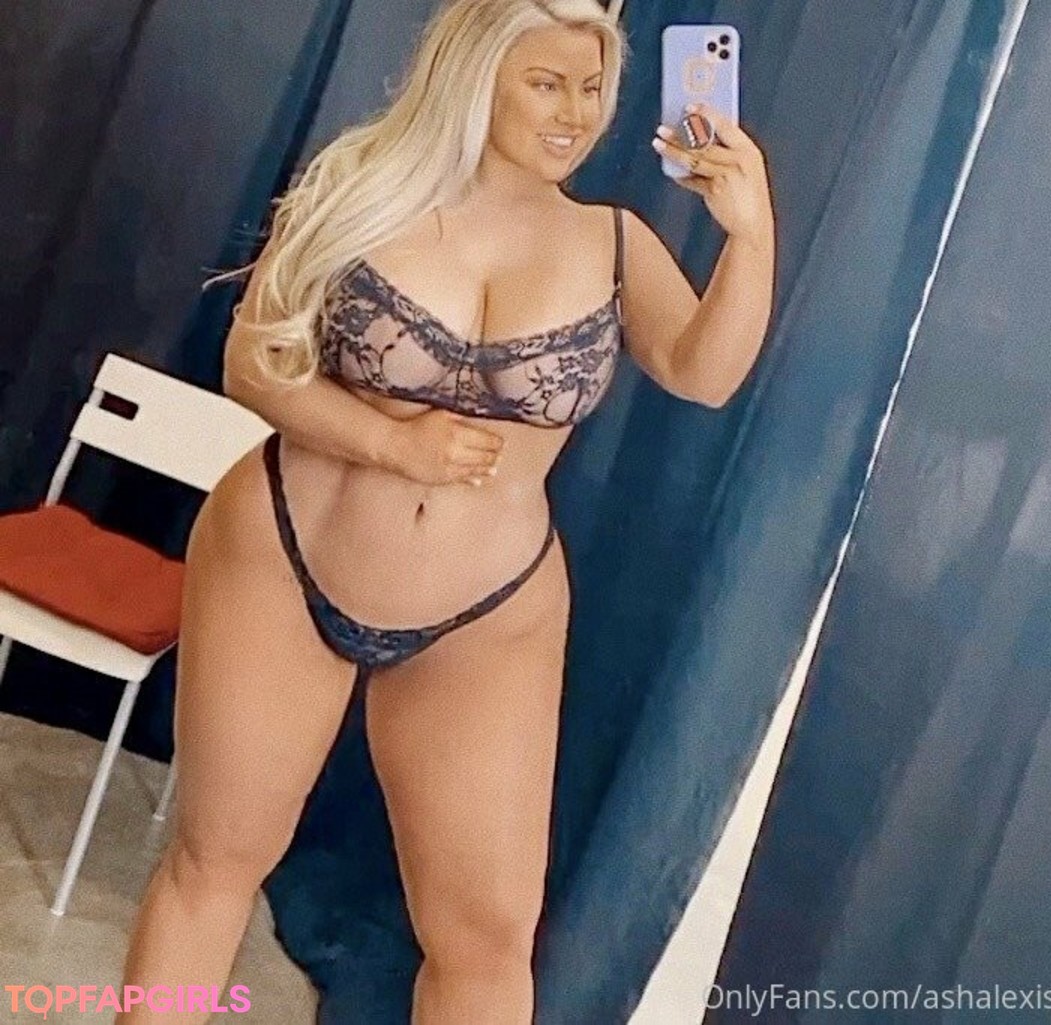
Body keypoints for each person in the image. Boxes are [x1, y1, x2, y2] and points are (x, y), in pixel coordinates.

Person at [116, 0, 775, 1022]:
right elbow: (253, 360)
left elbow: (706, 371)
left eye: (592, 88)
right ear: (476, 74)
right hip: (290, 554)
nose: (574, 113)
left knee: (486, 939)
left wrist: (750, 232)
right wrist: (390, 442)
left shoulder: (612, 241)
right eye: (545, 83)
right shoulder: (360, 182)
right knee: (216, 859)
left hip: (487, 609)